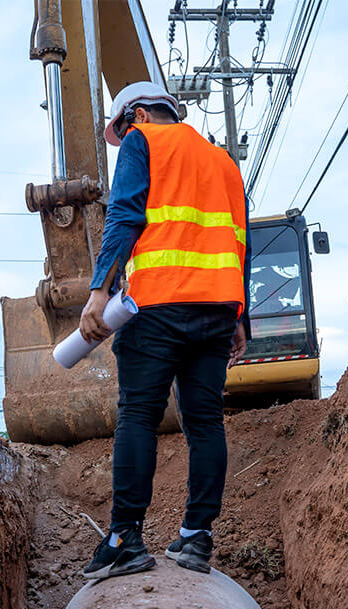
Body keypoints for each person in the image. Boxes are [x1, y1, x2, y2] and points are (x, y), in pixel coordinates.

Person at [79, 81, 251, 580]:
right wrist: (240, 319)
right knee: (205, 421)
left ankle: (124, 538)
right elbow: (240, 240)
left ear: (137, 115)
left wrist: (100, 290)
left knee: (138, 415)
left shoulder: (143, 142)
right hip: (217, 311)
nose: (124, 134)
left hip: (157, 306)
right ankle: (197, 538)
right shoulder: (224, 161)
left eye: (124, 126)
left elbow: (125, 216)